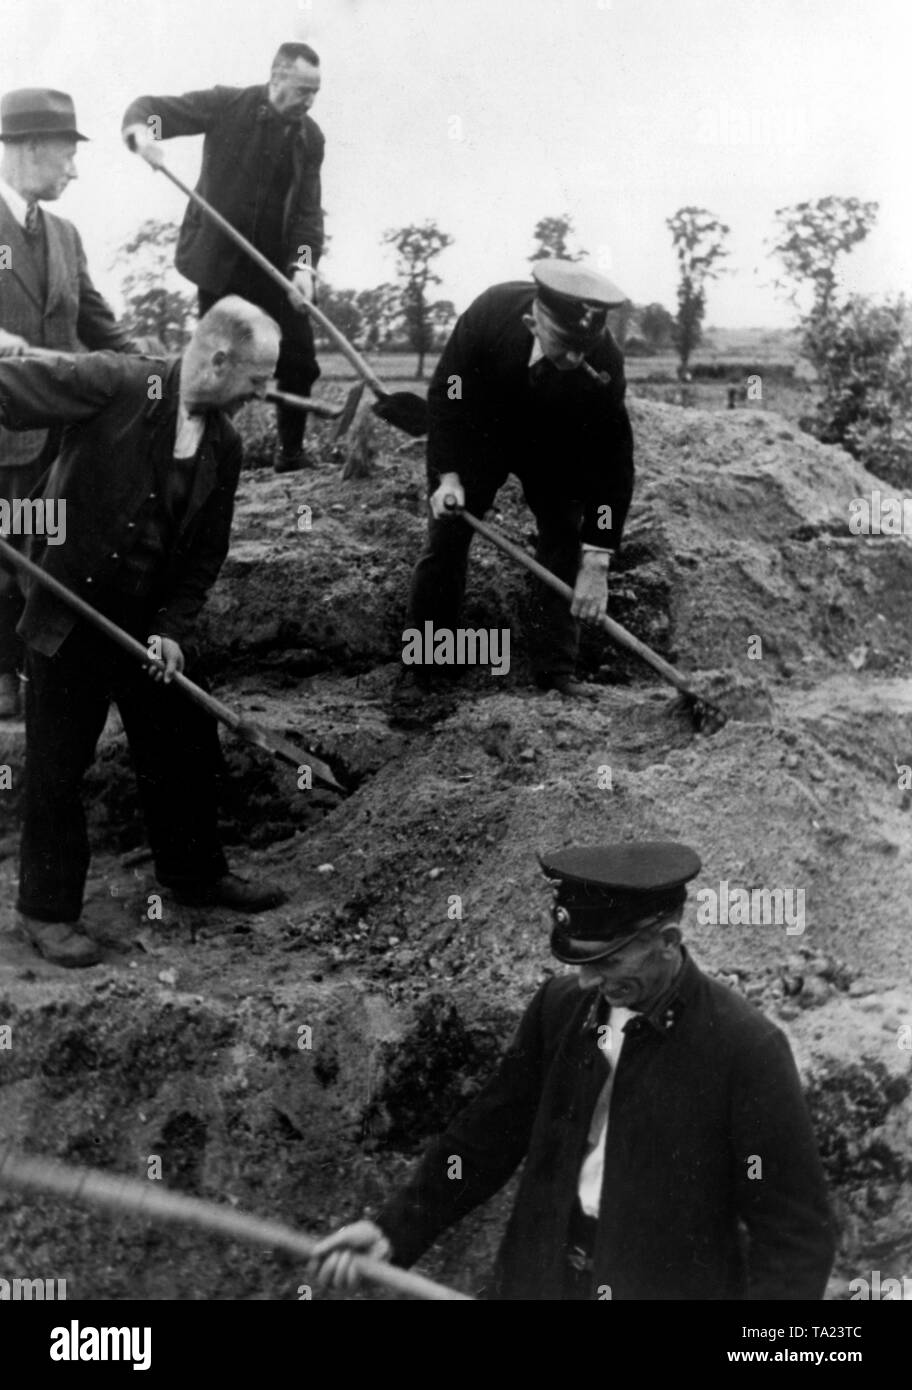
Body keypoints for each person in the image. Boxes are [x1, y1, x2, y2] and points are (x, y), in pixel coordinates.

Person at [309, 841, 836, 1300]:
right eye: (579, 964)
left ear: (668, 943)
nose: (587, 982)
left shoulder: (746, 1048)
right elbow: (487, 1138)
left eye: (606, 962)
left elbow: (794, 1237)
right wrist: (395, 1229)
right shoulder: (561, 1009)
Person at [0, 298, 288, 969]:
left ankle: (192, 874)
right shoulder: (119, 383)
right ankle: (46, 911)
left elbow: (203, 555)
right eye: (255, 378)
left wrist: (172, 630)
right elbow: (8, 392)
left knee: (184, 741)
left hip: (148, 625)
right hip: (72, 612)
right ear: (217, 359)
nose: (261, 393)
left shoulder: (225, 443)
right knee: (58, 767)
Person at [397, 259, 635, 720]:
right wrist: (447, 476)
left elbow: (612, 464)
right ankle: (425, 665)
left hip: (554, 445)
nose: (575, 362)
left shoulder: (601, 358)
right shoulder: (491, 313)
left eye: (584, 351)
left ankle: (555, 670)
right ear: (532, 322)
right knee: (446, 537)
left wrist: (600, 555)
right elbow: (447, 393)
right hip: (482, 432)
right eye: (565, 348)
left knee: (565, 535)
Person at [122, 42, 325, 474]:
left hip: (276, 269)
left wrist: (304, 265)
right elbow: (154, 110)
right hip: (220, 262)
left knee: (301, 360)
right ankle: (196, 455)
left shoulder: (311, 138)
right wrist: (143, 136)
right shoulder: (227, 105)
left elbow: (308, 211)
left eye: (316, 93)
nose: (309, 102)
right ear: (276, 78)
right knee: (217, 362)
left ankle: (290, 454)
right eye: (303, 90)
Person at [0, 88, 135, 718]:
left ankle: (42, 683)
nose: (74, 170)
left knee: (48, 559)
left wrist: (154, 374)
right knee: (5, 560)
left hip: (61, 438)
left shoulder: (65, 234)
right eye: (65, 156)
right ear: (28, 149)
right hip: (4, 434)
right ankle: (5, 683)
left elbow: (98, 323)